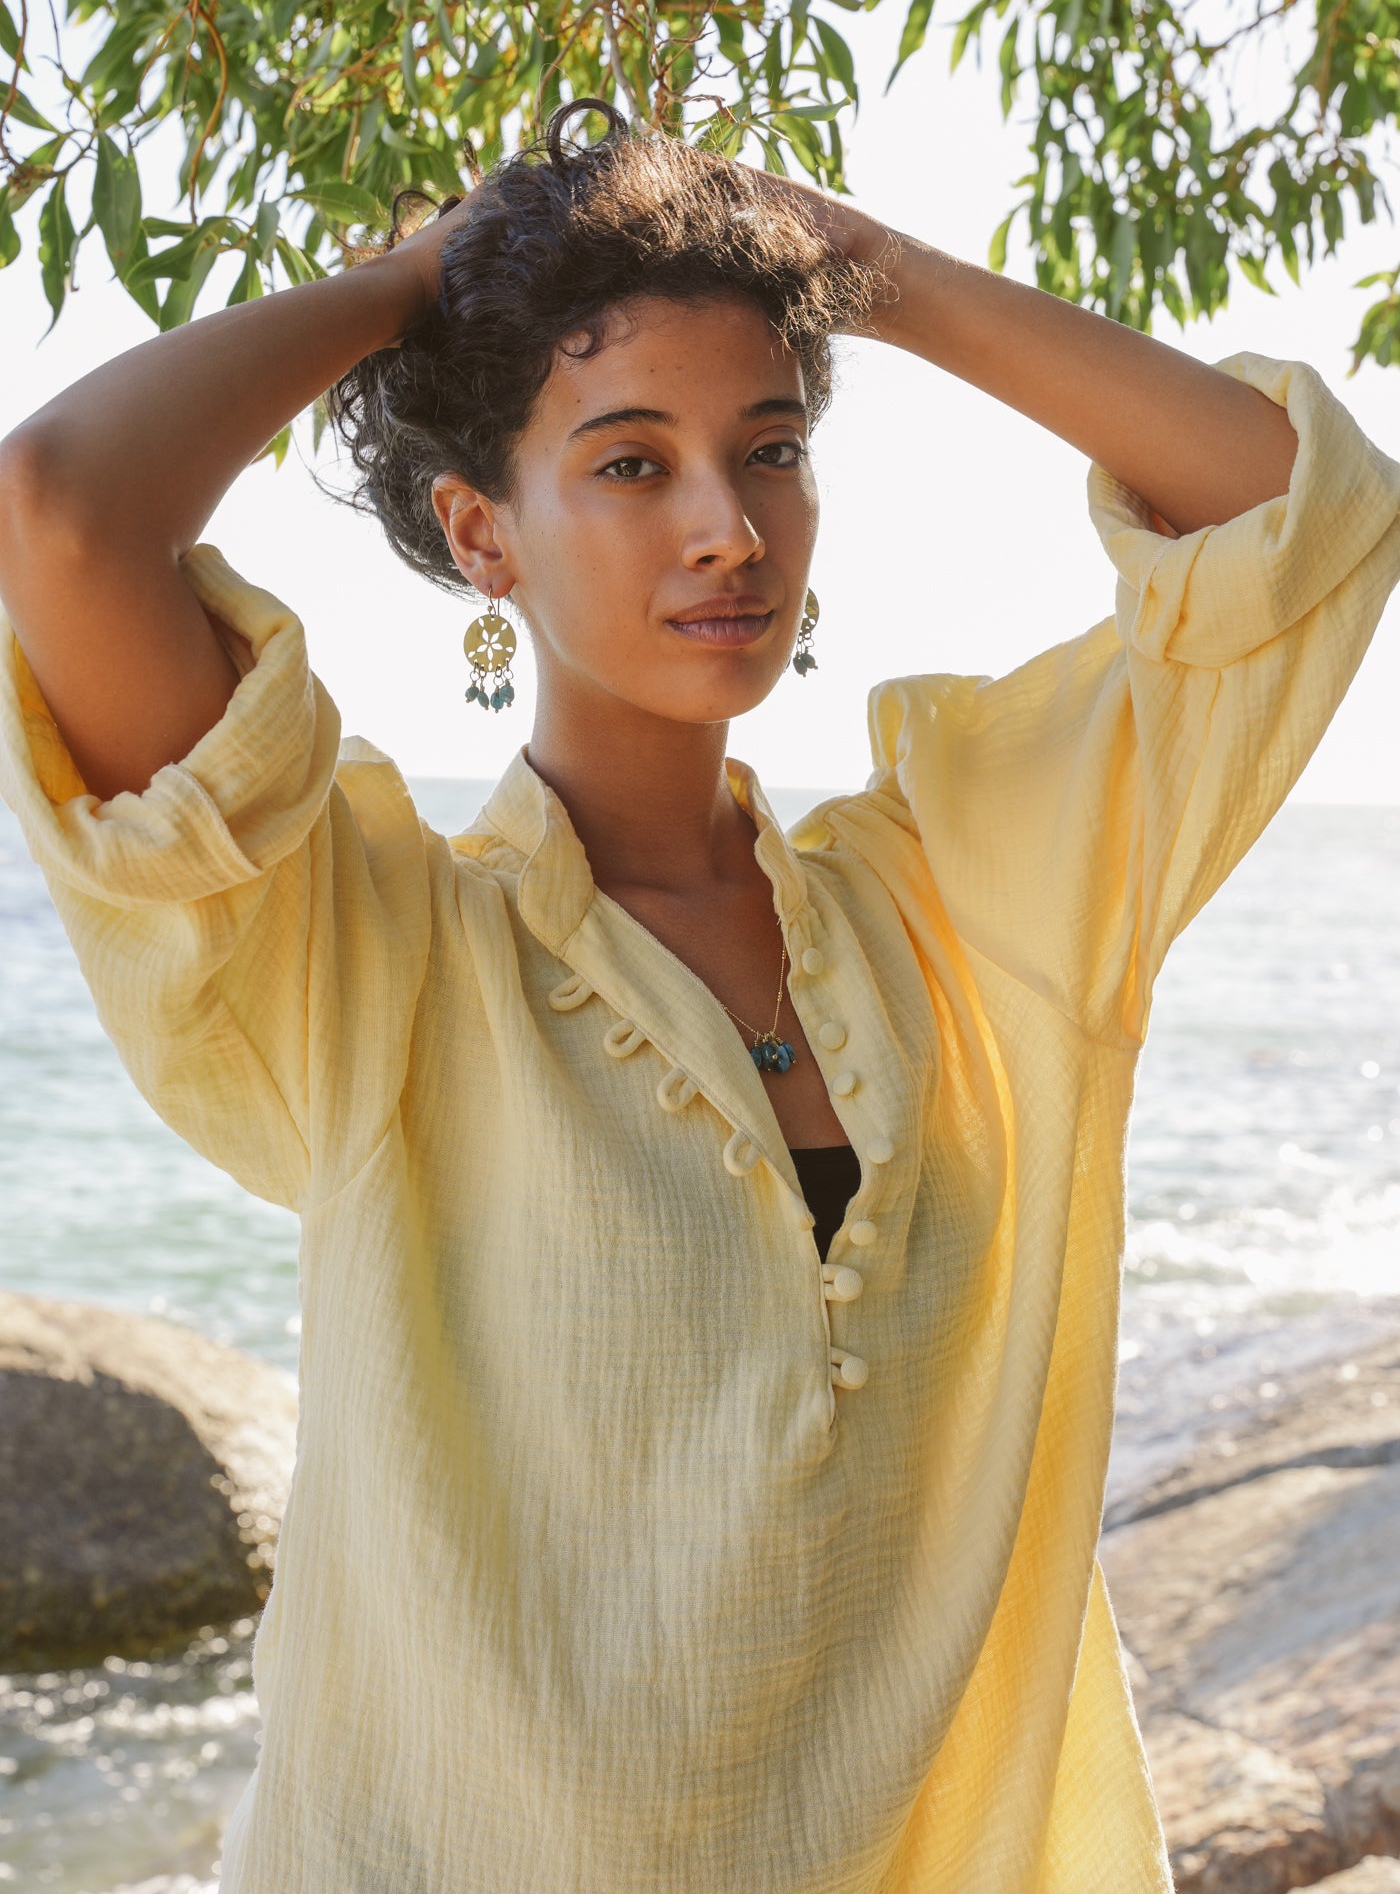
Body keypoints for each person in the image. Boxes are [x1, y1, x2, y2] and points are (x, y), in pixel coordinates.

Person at [0, 96, 1395, 1894]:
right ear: (480, 534)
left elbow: (1289, 514)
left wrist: (863, 274)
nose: (730, 526)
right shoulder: (375, 960)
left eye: (773, 448)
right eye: (631, 461)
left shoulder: (967, 900)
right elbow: (62, 513)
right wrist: (441, 269)